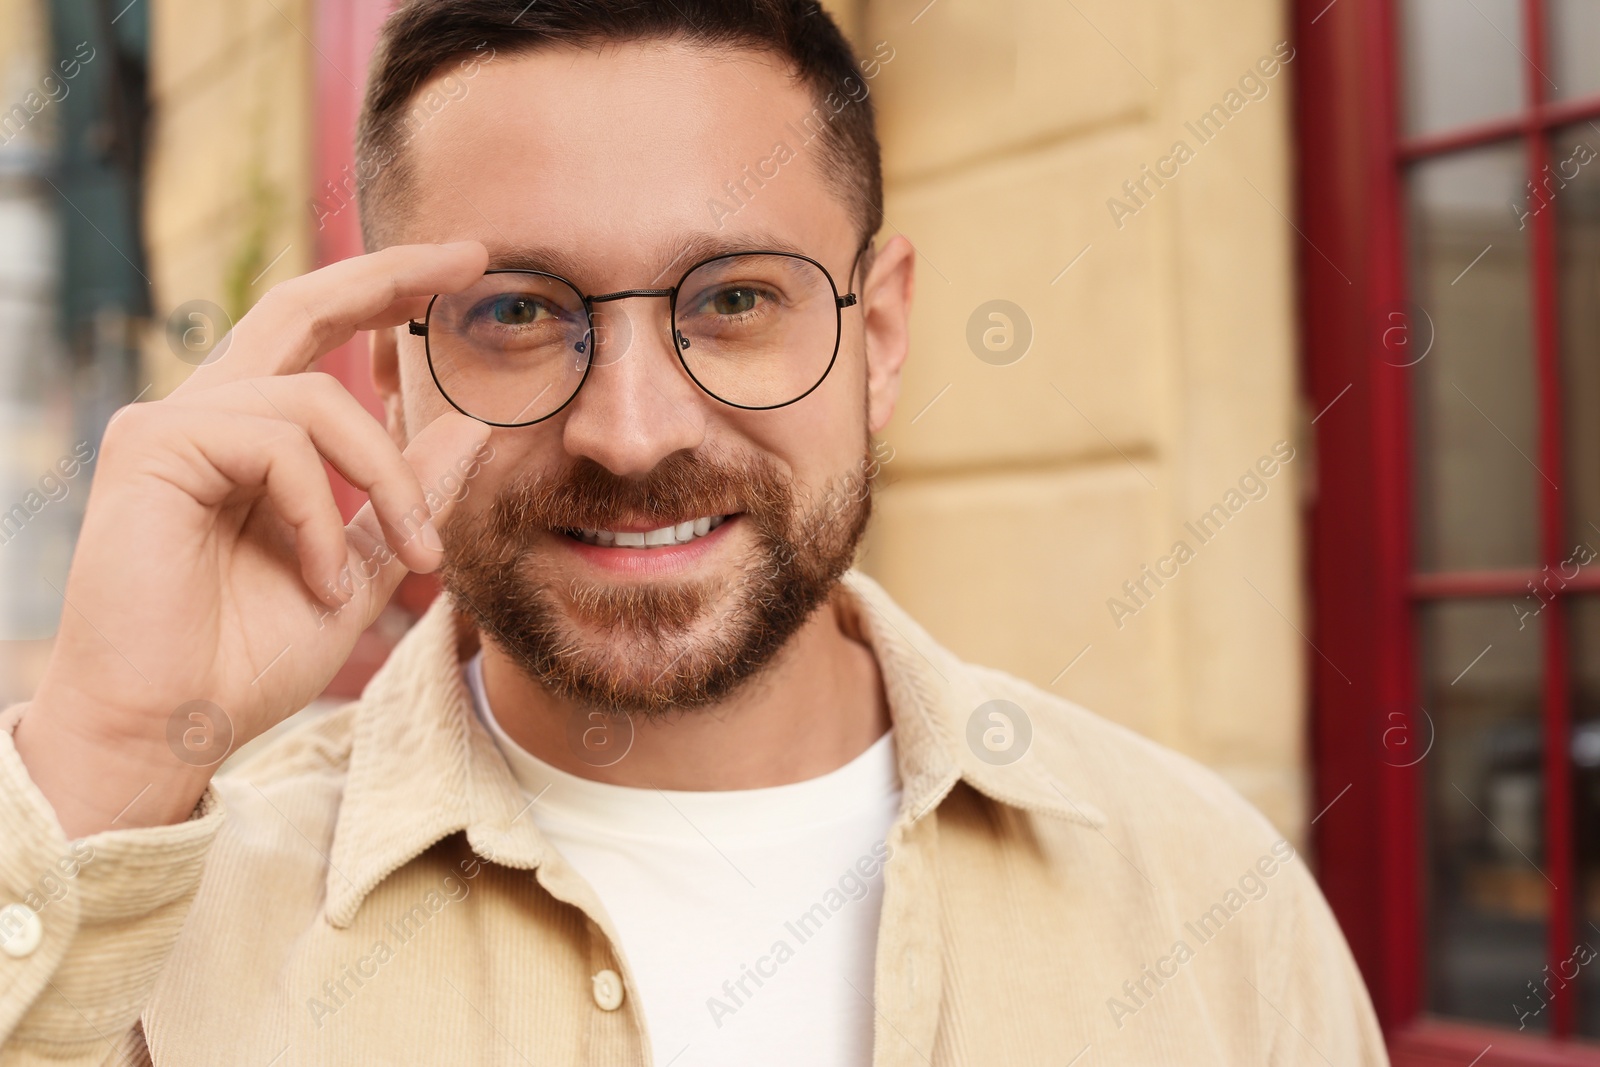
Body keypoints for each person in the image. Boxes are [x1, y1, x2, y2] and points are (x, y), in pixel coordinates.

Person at [0, 1, 1387, 1063]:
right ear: (392, 375)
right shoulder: (151, 923)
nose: (635, 432)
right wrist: (106, 761)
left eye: (732, 300)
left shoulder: (1207, 901)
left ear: (880, 335)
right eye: (520, 313)